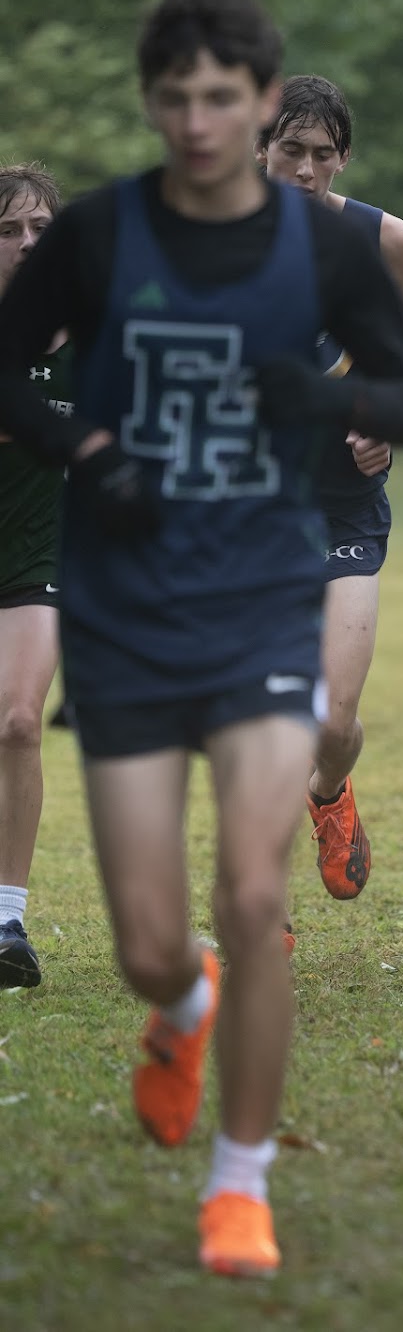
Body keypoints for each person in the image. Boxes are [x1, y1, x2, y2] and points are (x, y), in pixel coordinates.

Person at [0, 0, 403, 1276]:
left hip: (264, 593)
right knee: (150, 944)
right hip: (132, 608)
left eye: (222, 96)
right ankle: (181, 1001)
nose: (198, 120)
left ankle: (240, 1182)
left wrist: (339, 401)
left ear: (257, 103)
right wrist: (88, 448)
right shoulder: (99, 237)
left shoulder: (335, 253)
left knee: (252, 896)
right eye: (177, 98)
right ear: (157, 105)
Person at [255, 74, 403, 907]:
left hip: (344, 506)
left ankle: (329, 794)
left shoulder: (381, 238)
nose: (305, 170)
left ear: (343, 159)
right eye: (289, 150)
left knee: (333, 722)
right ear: (260, 149)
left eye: (323, 154)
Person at [0, 164, 68, 989]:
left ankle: (7, 920)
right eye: (9, 230)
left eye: (41, 231)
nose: (27, 244)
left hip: (38, 555)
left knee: (19, 722)